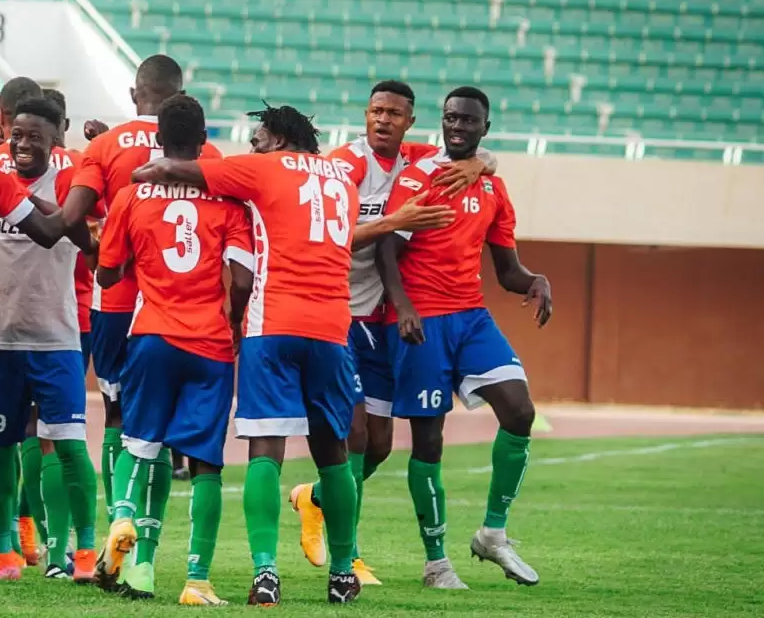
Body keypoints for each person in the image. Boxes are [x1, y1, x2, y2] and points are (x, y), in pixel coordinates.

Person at [130, 103, 445, 605]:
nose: (251, 146)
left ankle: (265, 572)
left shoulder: (262, 167)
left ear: (276, 139)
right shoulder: (342, 178)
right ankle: (343, 572)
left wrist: (139, 172)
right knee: (334, 455)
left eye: (257, 138)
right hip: (331, 328)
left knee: (265, 450)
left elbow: (173, 168)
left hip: (271, 324)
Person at [290, 80, 490, 586]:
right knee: (355, 435)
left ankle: (314, 498)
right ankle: (348, 554)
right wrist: (395, 221)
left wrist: (482, 162)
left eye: (394, 114)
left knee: (379, 444)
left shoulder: (417, 160)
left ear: (409, 122)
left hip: (378, 319)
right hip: (338, 312)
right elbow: (332, 234)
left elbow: (476, 154)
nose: (383, 120)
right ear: (365, 114)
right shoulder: (345, 165)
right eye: (376, 111)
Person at [377, 86, 551, 590]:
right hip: (420, 320)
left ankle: (493, 533)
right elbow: (388, 246)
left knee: (520, 410)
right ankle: (436, 563)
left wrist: (536, 280)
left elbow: (508, 270)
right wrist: (404, 306)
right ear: (442, 121)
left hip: (471, 316)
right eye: (451, 118)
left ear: (484, 129)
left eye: (468, 121)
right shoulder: (420, 176)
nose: (457, 127)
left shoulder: (494, 189)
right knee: (428, 440)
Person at [95, 95, 254, 605]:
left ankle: (123, 518)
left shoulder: (132, 195)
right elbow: (245, 278)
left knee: (139, 444)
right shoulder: (227, 199)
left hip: (152, 333)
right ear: (204, 140)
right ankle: (195, 578)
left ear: (157, 140)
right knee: (206, 462)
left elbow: (106, 271)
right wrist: (231, 322)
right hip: (208, 342)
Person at [59, 54, 221, 533]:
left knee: (117, 415)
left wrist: (96, 250)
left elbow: (70, 218)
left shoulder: (105, 145)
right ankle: (151, 536)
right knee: (164, 421)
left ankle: (118, 519)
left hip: (115, 300)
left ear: (135, 94)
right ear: (181, 96)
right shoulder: (210, 157)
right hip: (181, 307)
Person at [0, 96, 100, 583]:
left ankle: (82, 552)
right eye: (17, 135)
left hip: (56, 338)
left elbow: (91, 236)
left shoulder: (72, 176)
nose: (23, 145)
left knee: (67, 446)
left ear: (56, 140)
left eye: (35, 137)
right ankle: (3, 553)